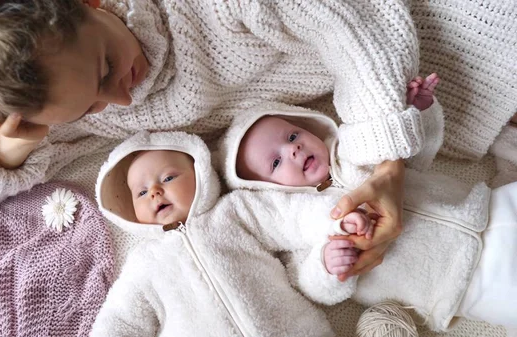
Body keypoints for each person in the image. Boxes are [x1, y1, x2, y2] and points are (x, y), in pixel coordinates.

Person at [0, 0, 431, 281]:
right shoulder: (69, 98)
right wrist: (16, 137)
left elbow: (356, 20)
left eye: (106, 69)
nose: (120, 98)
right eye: (90, 107)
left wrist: (388, 167)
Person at [216, 77, 517, 331]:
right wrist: (329, 263)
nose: (292, 149)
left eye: (293, 135)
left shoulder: (355, 151)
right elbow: (313, 287)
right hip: (464, 283)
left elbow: (412, 154)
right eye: (276, 161)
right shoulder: (300, 233)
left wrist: (418, 112)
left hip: (490, 208)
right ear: (267, 189)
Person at [92, 130, 362, 336]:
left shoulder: (235, 211)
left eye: (168, 178)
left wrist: (335, 222)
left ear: (199, 173)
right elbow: (121, 319)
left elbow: (292, 216)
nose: (154, 192)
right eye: (141, 192)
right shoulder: (144, 262)